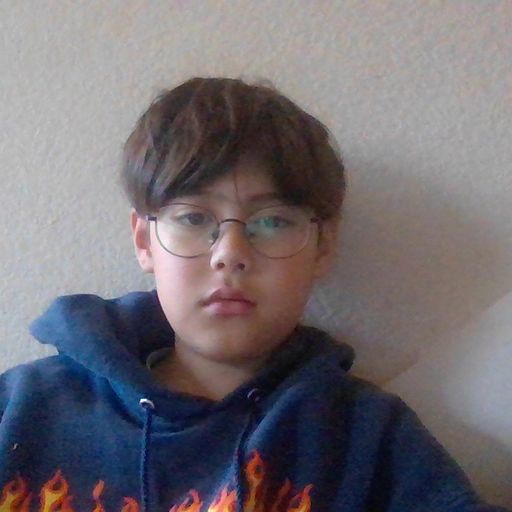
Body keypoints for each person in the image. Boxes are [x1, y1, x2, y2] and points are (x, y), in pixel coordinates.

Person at [0, 77, 508, 512]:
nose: (230, 254)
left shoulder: (365, 437)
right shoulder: (22, 411)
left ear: (323, 245)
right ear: (144, 241)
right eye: (193, 218)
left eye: (273, 221)